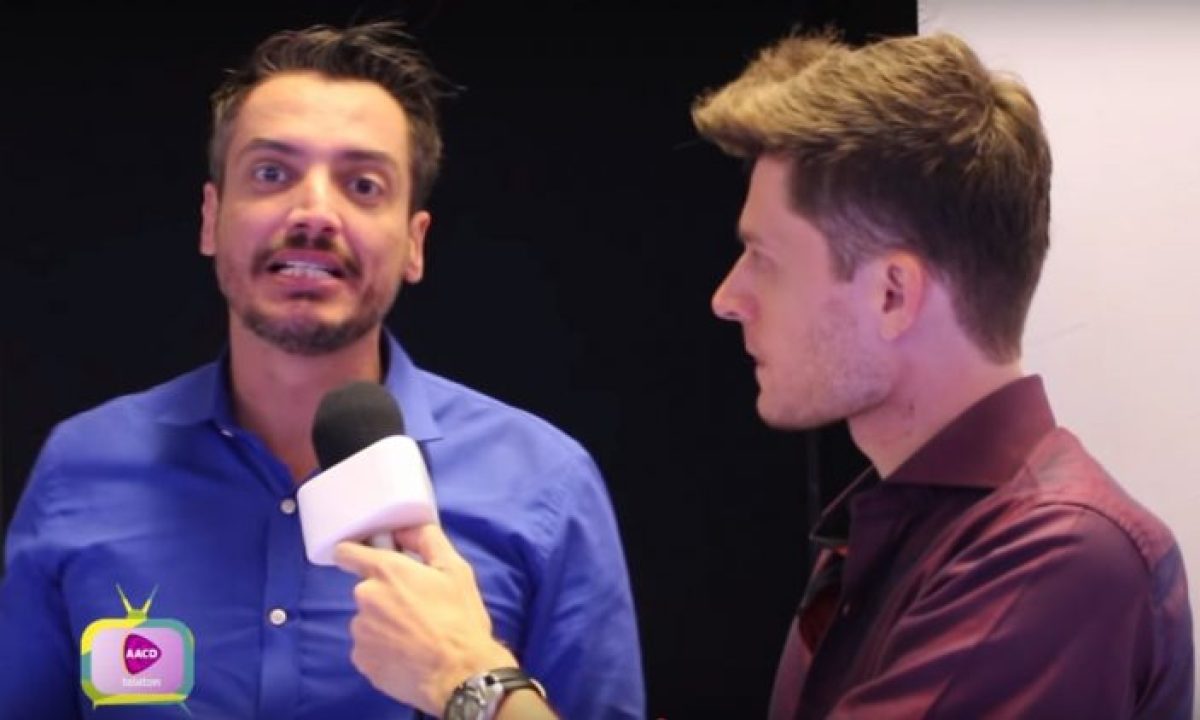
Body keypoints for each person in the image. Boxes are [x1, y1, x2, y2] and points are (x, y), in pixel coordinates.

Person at [328, 29, 1195, 720]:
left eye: (764, 259)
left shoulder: (1056, 559)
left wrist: (468, 678)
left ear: (892, 294)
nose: (727, 298)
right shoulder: (900, 529)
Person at [0, 22, 643, 720]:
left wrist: (469, 683)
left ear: (415, 243)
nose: (314, 213)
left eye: (363, 185)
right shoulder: (79, 467)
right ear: (212, 218)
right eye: (271, 174)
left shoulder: (545, 486)